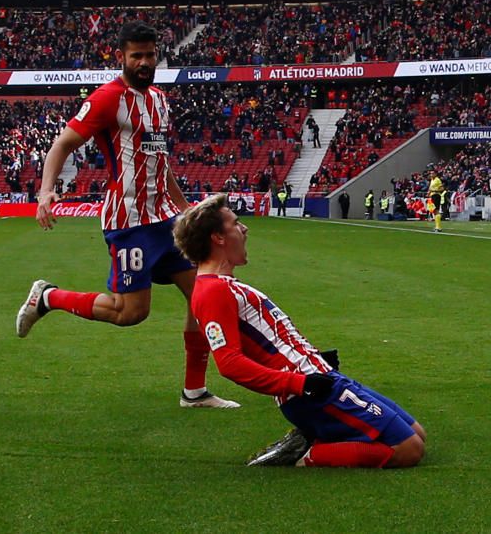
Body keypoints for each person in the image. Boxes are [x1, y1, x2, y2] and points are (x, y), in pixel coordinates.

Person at [15, 21, 239, 409]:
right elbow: (62, 144)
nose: (144, 62)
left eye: (150, 55)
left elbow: (159, 163)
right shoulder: (107, 99)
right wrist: (46, 190)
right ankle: (48, 297)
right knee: (130, 313)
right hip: (130, 222)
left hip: (166, 220)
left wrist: (186, 211)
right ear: (120, 57)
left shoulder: (159, 100)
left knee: (205, 294)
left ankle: (194, 391)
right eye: (136, 55)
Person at [172, 194, 426, 468]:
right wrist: (300, 384)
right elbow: (230, 363)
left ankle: (314, 437)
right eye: (236, 223)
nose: (244, 229)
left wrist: (315, 359)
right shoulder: (212, 291)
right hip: (308, 392)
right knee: (408, 449)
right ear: (218, 238)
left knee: (417, 433)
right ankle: (306, 455)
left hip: (321, 377)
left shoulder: (224, 284)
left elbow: (271, 341)